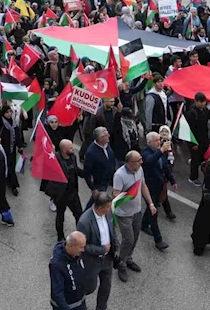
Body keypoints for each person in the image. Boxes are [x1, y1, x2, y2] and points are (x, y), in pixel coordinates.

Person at [112, 150, 157, 283]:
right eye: (139, 160)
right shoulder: (119, 175)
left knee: (135, 237)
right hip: (124, 214)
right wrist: (128, 195)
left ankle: (128, 258)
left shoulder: (139, 170)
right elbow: (115, 194)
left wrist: (151, 204)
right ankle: (121, 264)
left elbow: (143, 186)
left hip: (137, 211)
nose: (141, 162)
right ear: (130, 163)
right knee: (128, 239)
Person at [77, 192, 115, 310]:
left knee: (106, 287)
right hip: (92, 261)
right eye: (108, 207)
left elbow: (112, 231)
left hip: (107, 259)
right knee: (89, 288)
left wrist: (116, 247)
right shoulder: (84, 222)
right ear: (99, 207)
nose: (110, 209)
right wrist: (101, 249)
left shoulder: (108, 213)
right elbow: (82, 246)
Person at [140, 132, 174, 250]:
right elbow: (150, 161)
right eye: (156, 140)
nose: (159, 142)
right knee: (153, 212)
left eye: (159, 140)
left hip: (159, 185)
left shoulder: (160, 152)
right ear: (149, 142)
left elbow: (165, 167)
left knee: (152, 207)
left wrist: (172, 180)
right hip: (148, 187)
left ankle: (144, 224)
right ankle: (158, 239)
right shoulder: (145, 152)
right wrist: (161, 151)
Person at [46, 139, 85, 242]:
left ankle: (80, 235)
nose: (73, 149)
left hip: (73, 194)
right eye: (71, 148)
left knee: (79, 215)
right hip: (61, 195)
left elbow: (76, 169)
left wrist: (86, 174)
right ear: (64, 150)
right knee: (60, 216)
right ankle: (60, 236)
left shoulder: (73, 157)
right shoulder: (55, 159)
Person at [49, 231, 88, 310]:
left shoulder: (76, 255)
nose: (83, 250)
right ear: (70, 246)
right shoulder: (57, 265)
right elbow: (57, 293)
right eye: (81, 247)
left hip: (80, 303)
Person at [83, 126, 116, 209]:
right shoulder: (91, 152)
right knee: (96, 200)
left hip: (108, 179)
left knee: (99, 201)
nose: (108, 136)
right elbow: (87, 172)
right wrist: (93, 188)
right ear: (100, 138)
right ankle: (85, 215)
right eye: (106, 135)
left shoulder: (107, 145)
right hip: (99, 183)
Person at [0, 103, 25, 196]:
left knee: (11, 166)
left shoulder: (14, 123)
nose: (9, 114)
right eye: (7, 112)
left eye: (10, 112)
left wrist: (20, 146)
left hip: (12, 149)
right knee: (4, 166)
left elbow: (17, 136)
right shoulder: (1, 123)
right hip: (3, 150)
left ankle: (13, 185)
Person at [185, 92, 209, 186]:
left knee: (203, 157)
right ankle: (193, 178)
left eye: (203, 101)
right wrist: (193, 143)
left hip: (204, 139)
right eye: (200, 101)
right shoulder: (192, 112)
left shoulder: (205, 110)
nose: (202, 103)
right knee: (195, 160)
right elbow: (189, 129)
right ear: (195, 101)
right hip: (195, 140)